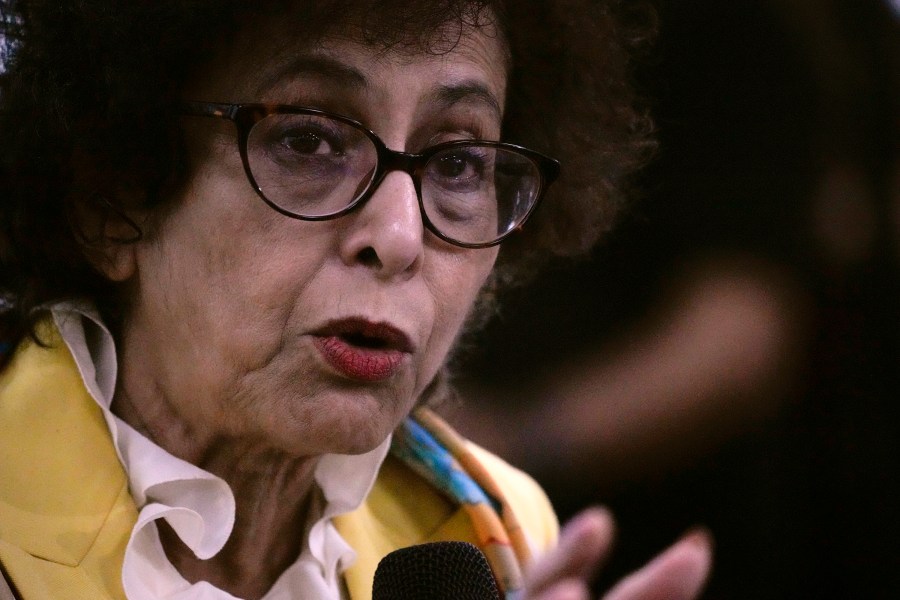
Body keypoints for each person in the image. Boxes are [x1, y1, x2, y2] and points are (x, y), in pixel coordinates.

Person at [0, 1, 712, 599]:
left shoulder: (497, 532)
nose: (400, 237)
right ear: (112, 195)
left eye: (458, 162)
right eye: (309, 141)